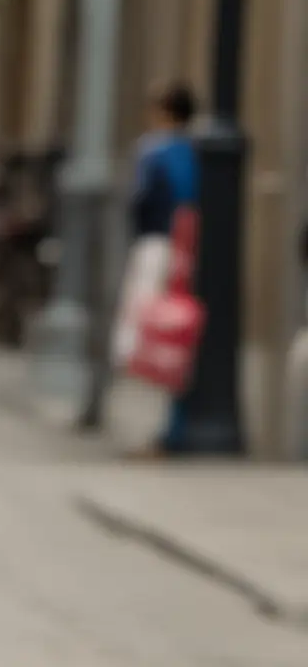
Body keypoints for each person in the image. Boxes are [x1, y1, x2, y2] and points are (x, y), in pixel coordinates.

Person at [113, 80, 199, 455]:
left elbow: (140, 199)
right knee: (174, 338)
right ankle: (168, 428)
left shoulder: (154, 151)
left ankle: (146, 432)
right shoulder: (194, 153)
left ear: (164, 112)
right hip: (185, 249)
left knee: (143, 338)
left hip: (155, 248)